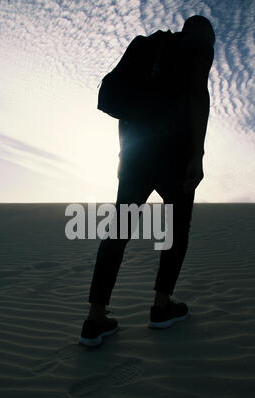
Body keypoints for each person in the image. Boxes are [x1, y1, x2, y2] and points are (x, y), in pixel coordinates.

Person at [79, 15, 215, 346]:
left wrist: (125, 157)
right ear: (203, 36)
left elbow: (126, 101)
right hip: (175, 155)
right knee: (176, 229)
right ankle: (161, 307)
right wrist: (197, 156)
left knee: (118, 230)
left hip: (135, 155)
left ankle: (96, 319)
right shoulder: (197, 47)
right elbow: (198, 96)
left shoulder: (148, 46)